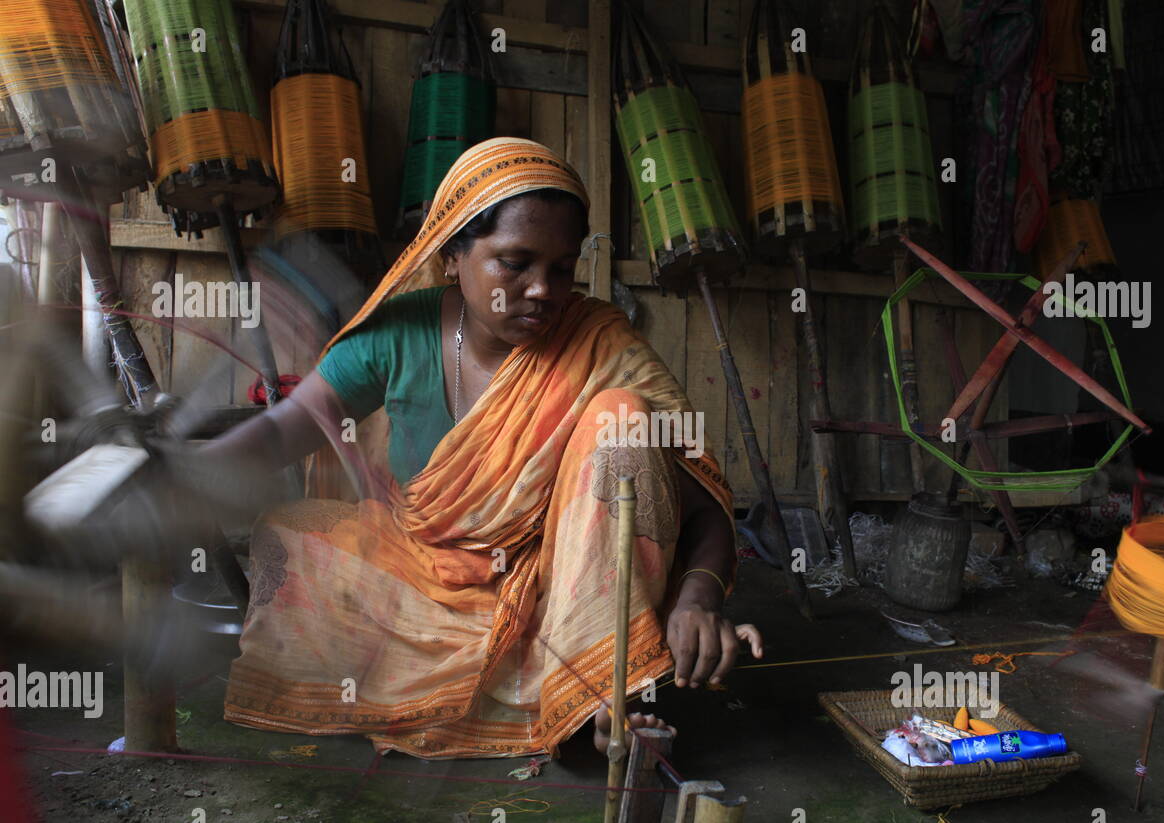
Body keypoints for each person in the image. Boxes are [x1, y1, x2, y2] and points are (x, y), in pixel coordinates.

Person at [199, 137, 763, 759]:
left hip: (561, 599)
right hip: (424, 581)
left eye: (562, 267)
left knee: (621, 419)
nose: (544, 290)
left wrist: (697, 599)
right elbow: (287, 428)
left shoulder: (599, 343)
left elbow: (704, 506)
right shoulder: (399, 332)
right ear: (450, 257)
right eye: (515, 263)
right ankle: (535, 685)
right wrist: (187, 470)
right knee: (291, 533)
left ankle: (596, 692)